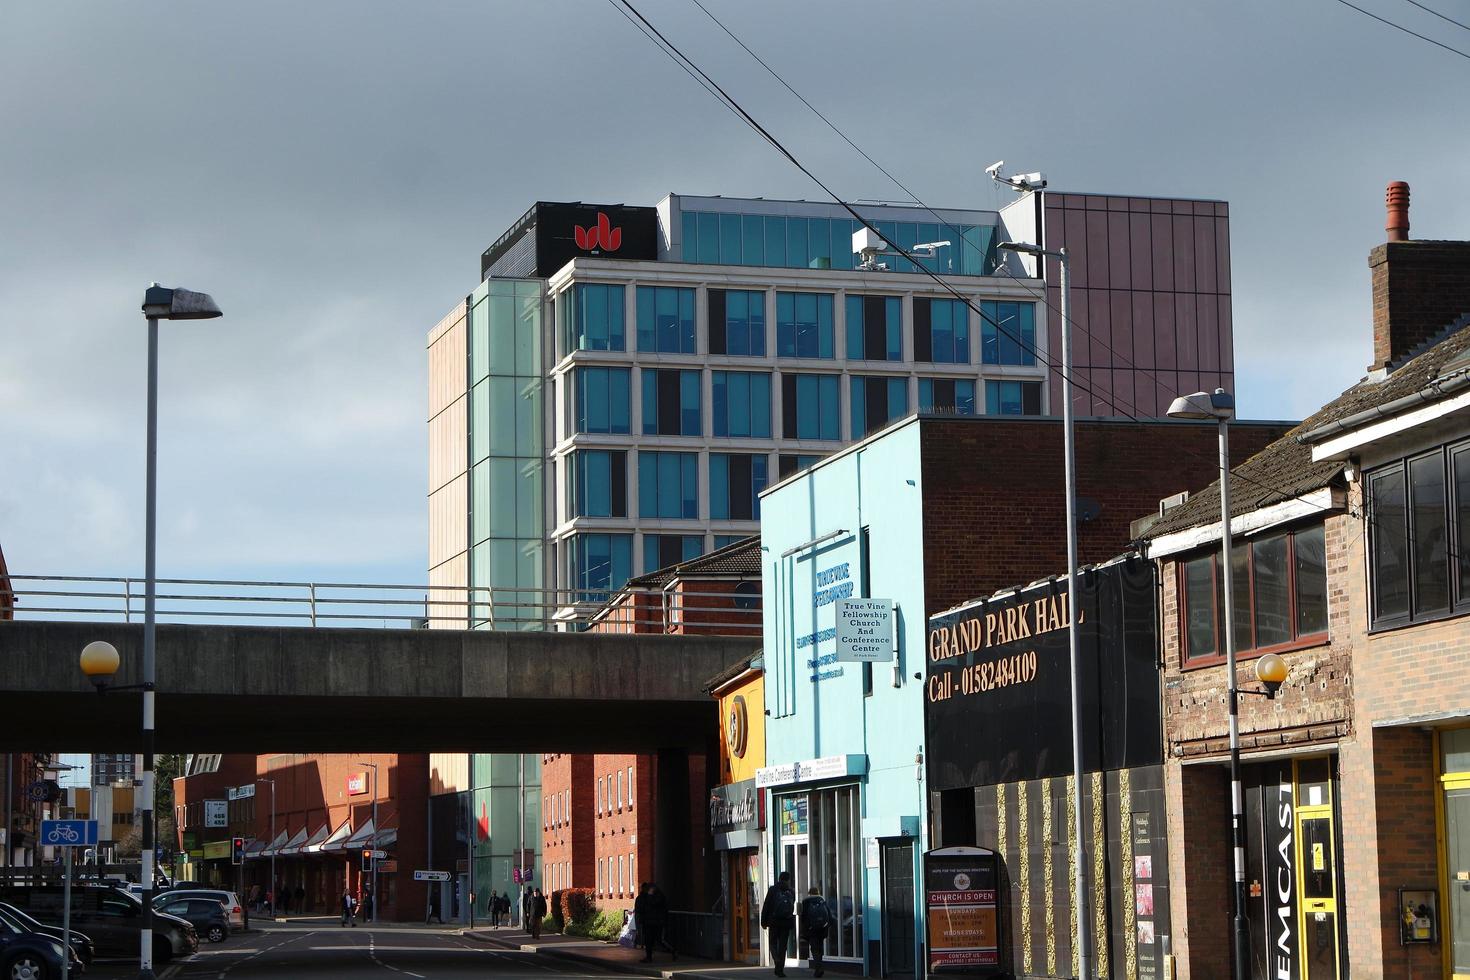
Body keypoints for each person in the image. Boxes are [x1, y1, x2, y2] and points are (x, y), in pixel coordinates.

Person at [760, 871, 796, 977]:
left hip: (774, 921)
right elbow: (791, 907)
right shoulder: (791, 891)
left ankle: (776, 959)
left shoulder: (773, 889)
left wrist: (763, 922)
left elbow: (766, 906)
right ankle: (780, 970)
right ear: (788, 880)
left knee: (772, 943)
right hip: (786, 922)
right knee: (783, 946)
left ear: (779, 879)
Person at [634, 882, 674, 962]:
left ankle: (672, 951)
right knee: (652, 940)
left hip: (652, 922)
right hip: (653, 922)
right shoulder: (646, 897)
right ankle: (650, 956)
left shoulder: (651, 897)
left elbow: (641, 908)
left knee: (655, 939)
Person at [800, 888, 833, 978]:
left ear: (809, 893)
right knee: (820, 948)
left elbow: (803, 918)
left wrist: (805, 930)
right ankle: (819, 967)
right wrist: (826, 926)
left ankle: (818, 968)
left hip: (812, 929)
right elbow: (830, 916)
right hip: (822, 929)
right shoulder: (822, 901)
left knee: (814, 949)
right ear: (818, 893)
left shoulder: (806, 902)